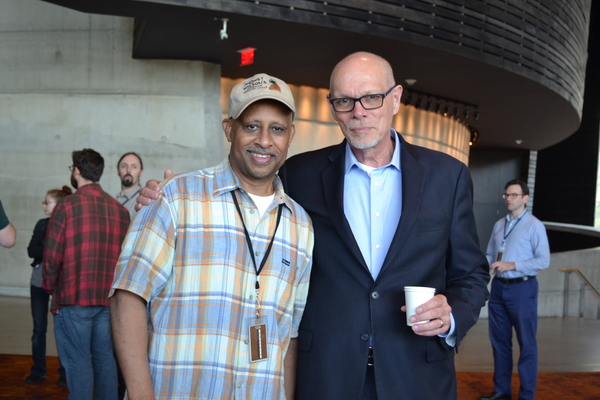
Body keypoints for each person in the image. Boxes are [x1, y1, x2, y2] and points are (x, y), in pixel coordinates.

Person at [137, 52, 490, 399]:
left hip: (416, 373)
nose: (358, 112)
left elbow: (471, 274)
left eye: (371, 97)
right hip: (325, 373)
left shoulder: (448, 176)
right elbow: (244, 198)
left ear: (395, 98)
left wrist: (453, 313)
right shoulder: (299, 174)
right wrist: (160, 195)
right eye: (344, 101)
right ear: (331, 106)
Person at [110, 73, 314, 400]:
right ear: (229, 128)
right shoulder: (176, 198)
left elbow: (288, 335)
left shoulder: (300, 225)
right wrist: (140, 394)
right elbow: (127, 297)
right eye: (251, 126)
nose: (264, 140)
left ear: (290, 135)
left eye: (276, 128)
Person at [43, 149, 130, 400]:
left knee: (78, 363)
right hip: (107, 299)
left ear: (77, 171)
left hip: (73, 297)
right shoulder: (119, 211)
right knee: (105, 360)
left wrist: (50, 288)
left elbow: (52, 255)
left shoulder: (66, 206)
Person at [479, 180, 550, 400]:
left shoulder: (534, 225)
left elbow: (543, 260)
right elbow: (492, 253)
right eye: (506, 195)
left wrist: (512, 265)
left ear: (525, 198)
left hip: (522, 288)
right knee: (499, 342)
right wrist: (483, 263)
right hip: (499, 288)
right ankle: (502, 390)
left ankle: (527, 395)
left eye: (514, 195)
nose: (509, 199)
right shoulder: (500, 224)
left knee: (526, 344)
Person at [25, 186, 72, 386]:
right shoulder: (42, 224)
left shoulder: (68, 225)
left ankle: (64, 371)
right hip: (38, 282)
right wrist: (53, 249)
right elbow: (31, 250)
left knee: (62, 329)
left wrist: (46, 250)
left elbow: (65, 254)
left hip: (61, 283)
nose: (44, 205)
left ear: (59, 205)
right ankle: (38, 370)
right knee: (39, 329)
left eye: (47, 202)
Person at [116, 152, 144, 219]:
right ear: (118, 171)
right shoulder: (114, 200)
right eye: (124, 166)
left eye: (134, 167)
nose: (128, 170)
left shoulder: (143, 201)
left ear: (141, 172)